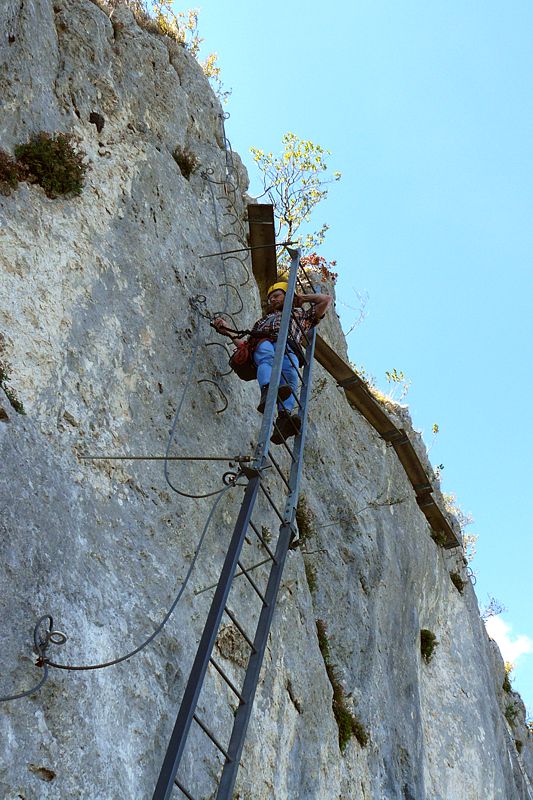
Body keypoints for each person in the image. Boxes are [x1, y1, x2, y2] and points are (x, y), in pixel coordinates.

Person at [213, 281, 332, 443]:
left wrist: (300, 298)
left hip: (288, 347)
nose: (273, 300)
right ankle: (268, 390)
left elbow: (325, 300)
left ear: (287, 295)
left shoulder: (302, 315)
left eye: (277, 296)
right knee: (266, 357)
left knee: (290, 377)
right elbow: (245, 347)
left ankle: (284, 418)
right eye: (270, 299)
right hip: (265, 343)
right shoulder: (263, 320)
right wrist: (227, 331)